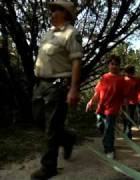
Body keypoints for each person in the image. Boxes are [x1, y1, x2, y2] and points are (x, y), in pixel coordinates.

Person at [31, 0, 82, 179]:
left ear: (65, 14)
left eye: (56, 10)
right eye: (51, 10)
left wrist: (73, 89)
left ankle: (49, 167)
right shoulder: (47, 34)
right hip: (41, 84)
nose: (52, 13)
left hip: (58, 86)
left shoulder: (71, 33)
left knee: (52, 127)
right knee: (37, 119)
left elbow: (76, 61)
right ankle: (67, 139)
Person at [86, 55, 125, 159]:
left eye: (116, 64)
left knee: (109, 129)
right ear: (108, 65)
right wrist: (90, 102)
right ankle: (107, 142)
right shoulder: (104, 77)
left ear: (119, 66)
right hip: (101, 107)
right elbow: (97, 93)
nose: (114, 66)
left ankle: (110, 149)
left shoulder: (121, 80)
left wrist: (122, 108)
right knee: (100, 126)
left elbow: (123, 96)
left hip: (112, 109)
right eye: (112, 64)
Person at [122, 65, 140, 139]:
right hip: (123, 101)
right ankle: (125, 128)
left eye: (131, 72)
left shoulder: (137, 79)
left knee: (130, 115)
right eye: (128, 72)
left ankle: (129, 131)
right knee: (124, 116)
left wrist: (136, 91)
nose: (130, 74)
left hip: (133, 101)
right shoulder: (122, 79)